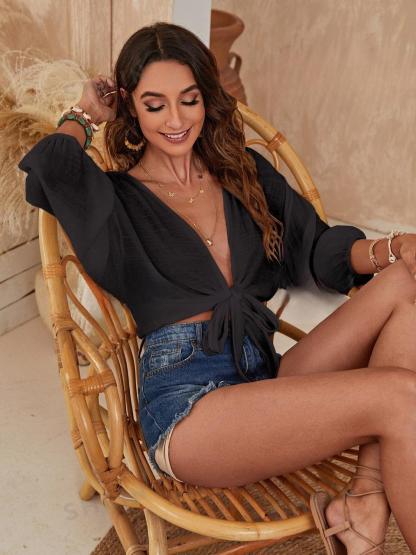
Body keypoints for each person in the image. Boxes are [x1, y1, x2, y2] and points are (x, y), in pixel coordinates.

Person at [18, 22, 416, 555]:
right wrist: (87, 112)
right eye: (155, 105)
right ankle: (368, 506)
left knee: (405, 286)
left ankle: (365, 501)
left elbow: (318, 249)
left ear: (206, 98)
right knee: (402, 395)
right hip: (190, 409)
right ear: (130, 107)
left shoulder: (241, 173)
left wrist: (396, 247)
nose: (176, 120)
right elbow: (50, 169)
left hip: (264, 377)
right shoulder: (117, 198)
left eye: (188, 100)